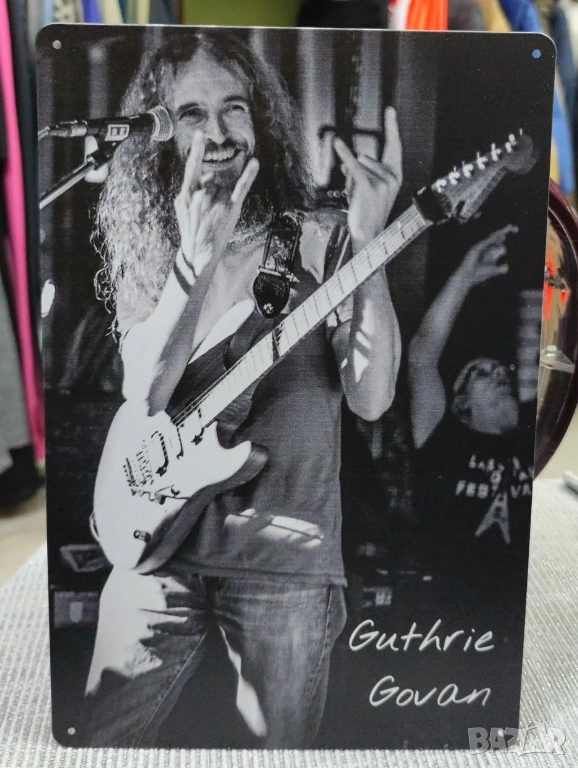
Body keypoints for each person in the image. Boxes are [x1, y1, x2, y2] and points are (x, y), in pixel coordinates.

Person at [82, 30, 402, 748]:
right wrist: (193, 264)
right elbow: (145, 392)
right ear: (161, 132)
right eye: (191, 114)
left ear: (261, 118)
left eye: (234, 107)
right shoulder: (152, 240)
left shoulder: (319, 235)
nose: (219, 132)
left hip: (286, 556)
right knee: (99, 739)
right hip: (157, 546)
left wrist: (372, 245)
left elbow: (373, 397)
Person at [408, 226, 536, 600]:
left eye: (500, 370)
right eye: (482, 372)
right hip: (455, 608)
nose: (499, 374)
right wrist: (464, 275)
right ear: (460, 402)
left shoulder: (538, 437)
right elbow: (421, 357)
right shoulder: (444, 440)